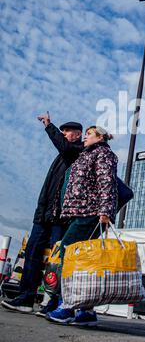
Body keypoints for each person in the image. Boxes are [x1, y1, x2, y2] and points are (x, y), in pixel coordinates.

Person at [1, 114, 83, 313]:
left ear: (78, 135)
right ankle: (25, 299)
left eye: (66, 131)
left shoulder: (76, 151)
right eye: (61, 131)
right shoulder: (62, 155)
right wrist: (39, 211)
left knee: (57, 260)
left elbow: (63, 146)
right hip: (44, 215)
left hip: (60, 217)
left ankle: (51, 302)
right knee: (31, 254)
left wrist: (49, 125)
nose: (63, 134)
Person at [46, 125, 118, 326]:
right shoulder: (88, 154)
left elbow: (107, 182)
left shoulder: (103, 153)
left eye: (89, 134)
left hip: (90, 214)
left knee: (67, 256)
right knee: (84, 262)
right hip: (81, 213)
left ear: (100, 137)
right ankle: (86, 311)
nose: (85, 138)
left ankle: (67, 306)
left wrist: (105, 211)